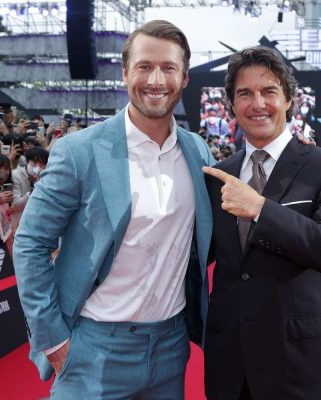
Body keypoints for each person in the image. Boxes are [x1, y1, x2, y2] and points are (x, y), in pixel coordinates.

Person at [13, 20, 214, 399]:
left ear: (184, 78)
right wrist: (52, 339)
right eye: (144, 66)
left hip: (171, 346)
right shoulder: (80, 151)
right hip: (93, 347)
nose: (156, 79)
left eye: (168, 68)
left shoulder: (196, 151)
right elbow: (29, 243)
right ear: (125, 74)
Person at [202, 46, 321, 400]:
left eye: (269, 91)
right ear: (231, 105)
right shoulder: (218, 175)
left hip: (301, 367)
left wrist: (260, 208)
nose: (257, 103)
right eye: (245, 93)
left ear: (289, 99)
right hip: (229, 367)